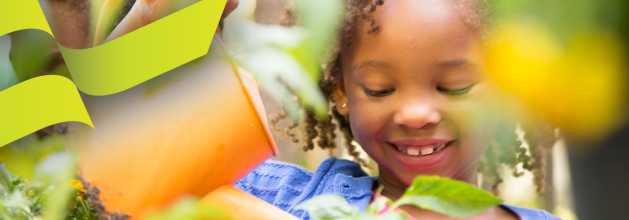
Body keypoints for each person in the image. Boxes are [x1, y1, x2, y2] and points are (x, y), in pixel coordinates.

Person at [234, 0, 560, 219]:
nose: (415, 115)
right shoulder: (283, 202)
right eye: (380, 89)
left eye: (455, 86)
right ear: (342, 91)